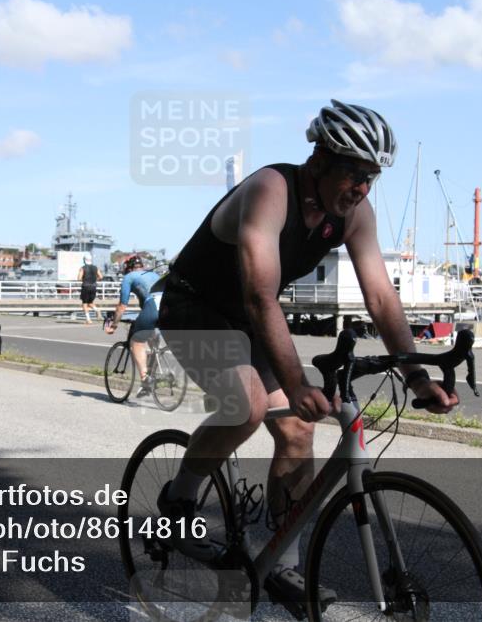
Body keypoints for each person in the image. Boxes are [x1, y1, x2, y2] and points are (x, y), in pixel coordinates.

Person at [156, 100, 457, 611]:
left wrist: (415, 376)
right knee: (249, 405)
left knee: (297, 430)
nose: (362, 187)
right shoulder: (271, 190)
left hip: (247, 319)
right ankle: (179, 499)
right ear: (320, 159)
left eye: (372, 177)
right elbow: (261, 296)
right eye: (354, 173)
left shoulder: (355, 215)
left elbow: (381, 297)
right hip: (194, 305)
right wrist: (296, 385)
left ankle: (283, 564)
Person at [104, 255, 161, 397]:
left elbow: (122, 306)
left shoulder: (129, 277)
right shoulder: (153, 274)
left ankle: (145, 379)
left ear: (127, 268)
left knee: (136, 342)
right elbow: (145, 305)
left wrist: (114, 325)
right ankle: (153, 374)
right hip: (167, 307)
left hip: (153, 306)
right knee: (153, 342)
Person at [77, 254, 103, 325]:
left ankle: (88, 320)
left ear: (84, 260)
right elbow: (101, 276)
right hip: (93, 286)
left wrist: (84, 279)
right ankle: (97, 310)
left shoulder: (83, 268)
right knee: (90, 303)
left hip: (85, 286)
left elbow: (79, 278)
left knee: (84, 303)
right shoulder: (95, 267)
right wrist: (94, 279)